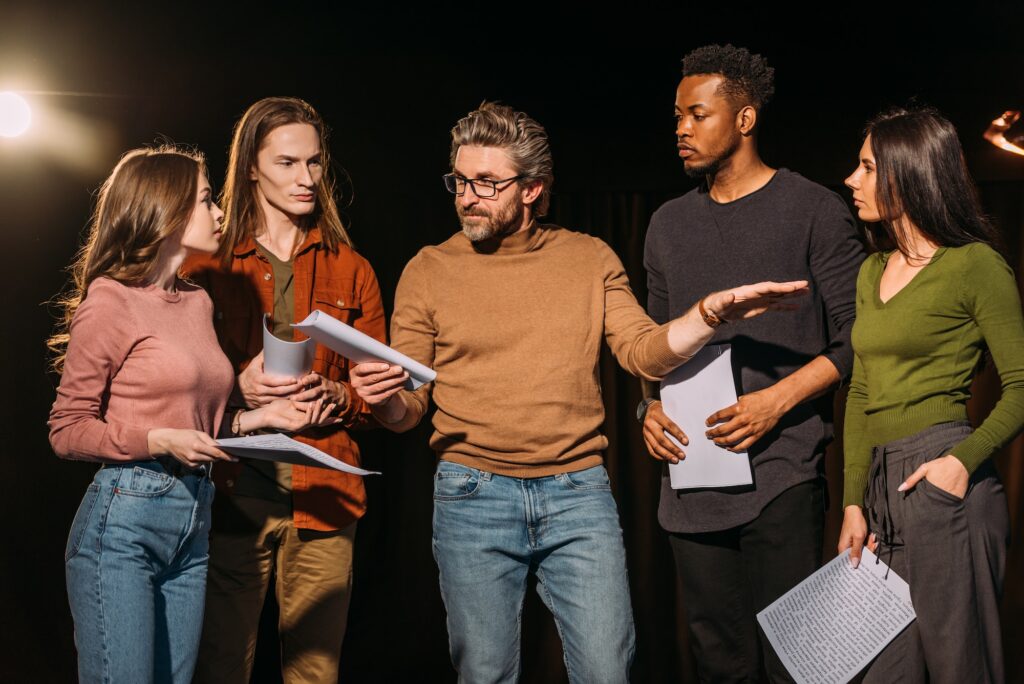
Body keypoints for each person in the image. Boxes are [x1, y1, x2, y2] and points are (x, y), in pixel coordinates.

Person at [349, 101, 808, 684]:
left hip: (577, 494)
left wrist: (708, 315)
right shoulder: (429, 269)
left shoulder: (588, 257)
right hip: (472, 495)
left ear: (533, 188)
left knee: (607, 670)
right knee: (485, 673)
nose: (468, 197)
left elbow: (642, 350)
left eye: (487, 183)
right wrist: (382, 395)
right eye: (460, 181)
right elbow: (407, 411)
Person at [48, 146, 332, 683]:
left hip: (194, 520)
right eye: (206, 201)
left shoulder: (198, 301)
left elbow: (204, 427)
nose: (220, 212)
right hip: (124, 521)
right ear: (168, 210)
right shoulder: (110, 302)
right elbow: (67, 430)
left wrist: (266, 419)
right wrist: (159, 439)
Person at [639, 44, 865, 681]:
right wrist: (647, 408)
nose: (681, 128)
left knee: (795, 661)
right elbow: (653, 347)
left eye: (697, 114)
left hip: (782, 476)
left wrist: (777, 402)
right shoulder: (667, 225)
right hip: (690, 480)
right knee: (718, 664)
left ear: (744, 119)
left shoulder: (814, 210)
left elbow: (856, 343)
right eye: (676, 116)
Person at [185, 97, 387, 684]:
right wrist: (237, 383)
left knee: (314, 674)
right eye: (287, 163)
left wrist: (338, 395)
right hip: (228, 491)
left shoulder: (354, 269)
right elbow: (172, 386)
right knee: (220, 664)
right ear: (250, 165)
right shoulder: (208, 266)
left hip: (325, 495)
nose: (306, 179)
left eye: (316, 163)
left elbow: (375, 398)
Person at [839, 107, 1024, 683]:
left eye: (868, 167)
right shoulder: (872, 272)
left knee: (958, 670)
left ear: (907, 172)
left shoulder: (975, 266)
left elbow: (1021, 385)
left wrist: (959, 464)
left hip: (942, 478)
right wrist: (852, 501)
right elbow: (861, 389)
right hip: (880, 495)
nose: (852, 179)